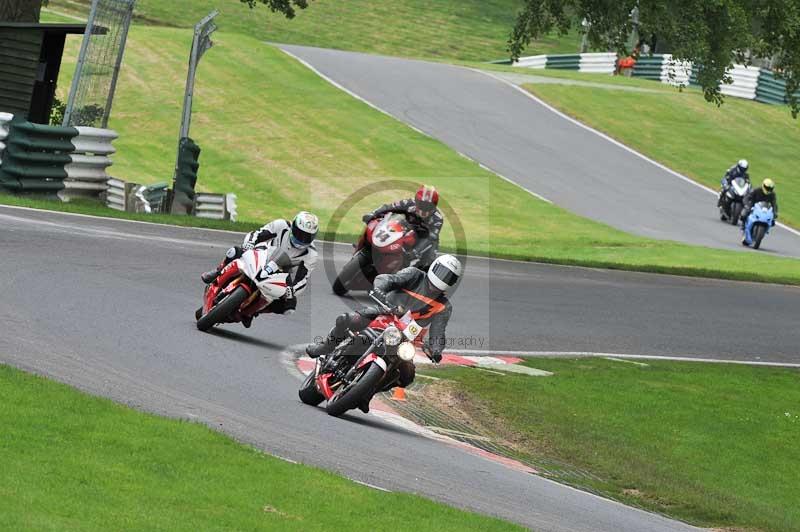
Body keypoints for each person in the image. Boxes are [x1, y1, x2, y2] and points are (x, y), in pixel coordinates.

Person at [306, 254, 463, 412]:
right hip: (384, 313)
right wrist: (380, 290)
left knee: (407, 375)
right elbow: (387, 279)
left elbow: (438, 333)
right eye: (442, 272)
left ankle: (367, 392)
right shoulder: (414, 275)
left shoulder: (444, 307)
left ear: (452, 283)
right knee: (347, 320)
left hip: (404, 339)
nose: (443, 278)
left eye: (449, 277)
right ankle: (325, 347)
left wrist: (436, 350)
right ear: (434, 267)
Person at [201, 211, 319, 325]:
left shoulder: (311, 254)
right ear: (293, 227)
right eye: (299, 233)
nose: (301, 239)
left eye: (307, 237)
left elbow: (302, 280)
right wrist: (249, 243)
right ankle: (218, 272)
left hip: (281, 272)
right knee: (235, 252)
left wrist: (291, 290)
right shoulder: (281, 225)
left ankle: (253, 312)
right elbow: (257, 234)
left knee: (288, 307)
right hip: (263, 254)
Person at [362, 185, 444, 269]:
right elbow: (389, 207)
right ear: (416, 201)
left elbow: (430, 238)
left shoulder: (438, 218)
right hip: (407, 230)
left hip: (424, 240)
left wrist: (415, 252)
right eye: (421, 204)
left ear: (434, 206)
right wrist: (373, 214)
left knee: (426, 263)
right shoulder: (409, 203)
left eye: (428, 206)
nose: (423, 210)